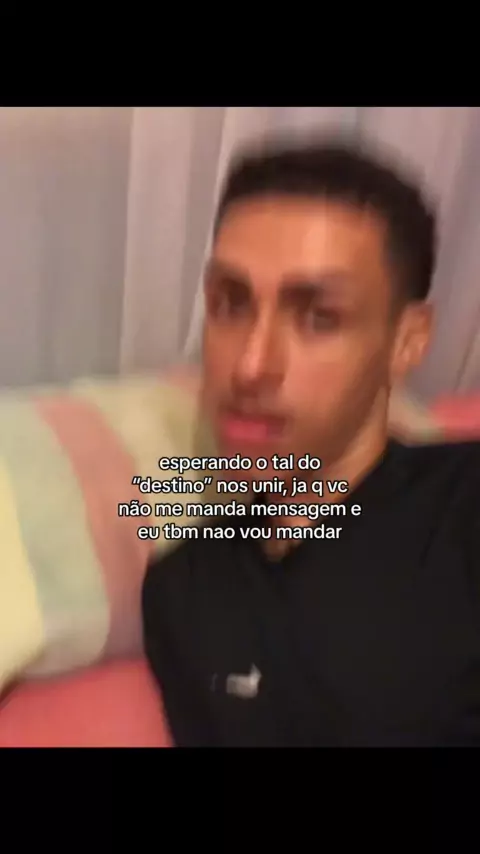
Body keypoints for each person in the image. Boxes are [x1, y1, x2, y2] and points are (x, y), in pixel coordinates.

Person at [142, 137, 480, 747]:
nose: (250, 365)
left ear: (407, 340)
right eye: (230, 304)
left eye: (319, 317)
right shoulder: (183, 587)